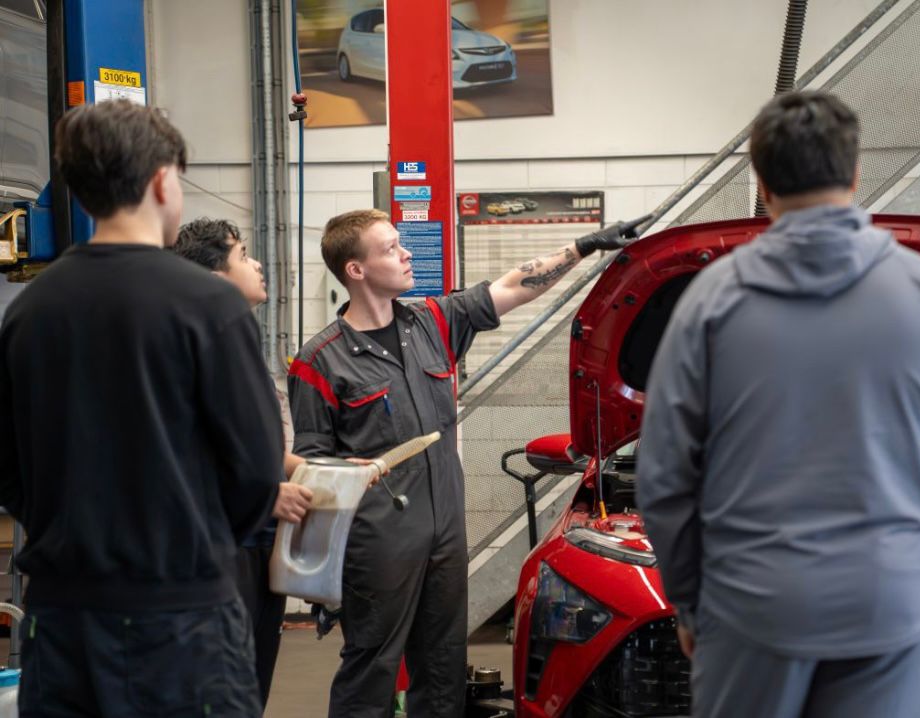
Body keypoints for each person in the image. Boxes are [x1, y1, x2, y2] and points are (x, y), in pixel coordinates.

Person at [636, 91, 920, 718]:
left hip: (749, 607)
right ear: (857, 173)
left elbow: (665, 476)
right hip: (890, 605)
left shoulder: (712, 302)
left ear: (761, 183)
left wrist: (695, 603)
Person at [288, 208, 636, 717]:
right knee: (372, 668)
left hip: (445, 535)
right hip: (377, 545)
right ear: (355, 270)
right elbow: (310, 467)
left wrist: (583, 247)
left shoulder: (431, 322)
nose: (406, 253)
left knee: (443, 666)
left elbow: (515, 286)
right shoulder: (320, 361)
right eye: (389, 248)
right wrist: (346, 477)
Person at [0, 100, 283, 716]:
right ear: (161, 180)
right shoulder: (209, 306)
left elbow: (7, 465)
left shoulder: (28, 311)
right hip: (180, 620)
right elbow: (257, 470)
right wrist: (194, 541)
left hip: (61, 618)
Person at [173, 217, 315, 709]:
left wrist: (322, 470)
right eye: (243, 255)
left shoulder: (239, 337)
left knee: (252, 686)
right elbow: (184, 447)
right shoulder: (194, 339)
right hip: (220, 547)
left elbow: (244, 446)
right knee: (222, 689)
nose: (257, 264)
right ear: (214, 275)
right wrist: (264, 492)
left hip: (259, 540)